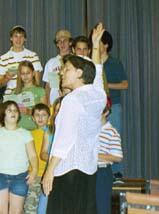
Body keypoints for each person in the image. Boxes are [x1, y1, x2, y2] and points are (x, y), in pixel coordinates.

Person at [42, 23, 107, 214]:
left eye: (67, 69)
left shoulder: (72, 99)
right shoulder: (98, 96)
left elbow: (64, 138)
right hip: (88, 170)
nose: (62, 72)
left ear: (79, 73)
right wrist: (94, 46)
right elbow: (96, 72)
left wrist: (49, 170)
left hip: (66, 170)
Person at [0, 101, 38, 214]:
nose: (13, 112)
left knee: (16, 211)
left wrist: (34, 171)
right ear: (3, 114)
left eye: (15, 110)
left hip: (20, 177)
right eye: (9, 110)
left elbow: (33, 156)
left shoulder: (25, 134)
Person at [94, 29, 128, 178]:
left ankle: (116, 173)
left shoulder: (115, 63)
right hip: (96, 108)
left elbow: (125, 84)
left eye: (99, 42)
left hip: (113, 106)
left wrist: (106, 85)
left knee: (114, 137)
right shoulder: (92, 62)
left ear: (106, 45)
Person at [0, 25, 43, 92]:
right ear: (11, 38)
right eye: (16, 36)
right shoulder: (3, 58)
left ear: (25, 39)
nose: (18, 39)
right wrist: (7, 77)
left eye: (21, 36)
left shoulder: (33, 56)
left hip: (29, 97)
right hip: (10, 99)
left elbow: (37, 82)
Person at [96, 98, 123, 214]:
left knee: (102, 207)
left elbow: (117, 157)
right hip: (88, 172)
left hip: (102, 173)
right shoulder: (88, 130)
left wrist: (96, 156)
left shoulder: (111, 132)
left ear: (106, 112)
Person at [38, 97, 63, 214]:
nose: (58, 113)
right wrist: (54, 158)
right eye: (56, 110)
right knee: (43, 207)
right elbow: (43, 153)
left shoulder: (73, 130)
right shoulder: (49, 130)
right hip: (50, 171)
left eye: (61, 109)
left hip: (66, 172)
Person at [24, 103, 50, 214]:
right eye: (37, 115)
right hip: (33, 176)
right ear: (33, 118)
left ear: (49, 117)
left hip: (48, 175)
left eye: (43, 115)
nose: (40, 118)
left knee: (45, 208)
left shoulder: (52, 133)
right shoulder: (29, 134)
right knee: (30, 206)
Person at [8, 61, 47, 130]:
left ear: (33, 73)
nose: (25, 76)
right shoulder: (14, 93)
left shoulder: (40, 91)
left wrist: (29, 112)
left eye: (28, 73)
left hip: (36, 129)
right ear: (20, 75)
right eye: (23, 73)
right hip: (19, 130)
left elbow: (45, 113)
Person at [42, 30, 72, 105]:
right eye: (59, 41)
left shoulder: (75, 60)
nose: (62, 43)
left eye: (65, 40)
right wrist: (47, 104)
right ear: (57, 44)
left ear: (70, 43)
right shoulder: (51, 62)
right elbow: (48, 86)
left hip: (71, 101)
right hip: (54, 102)